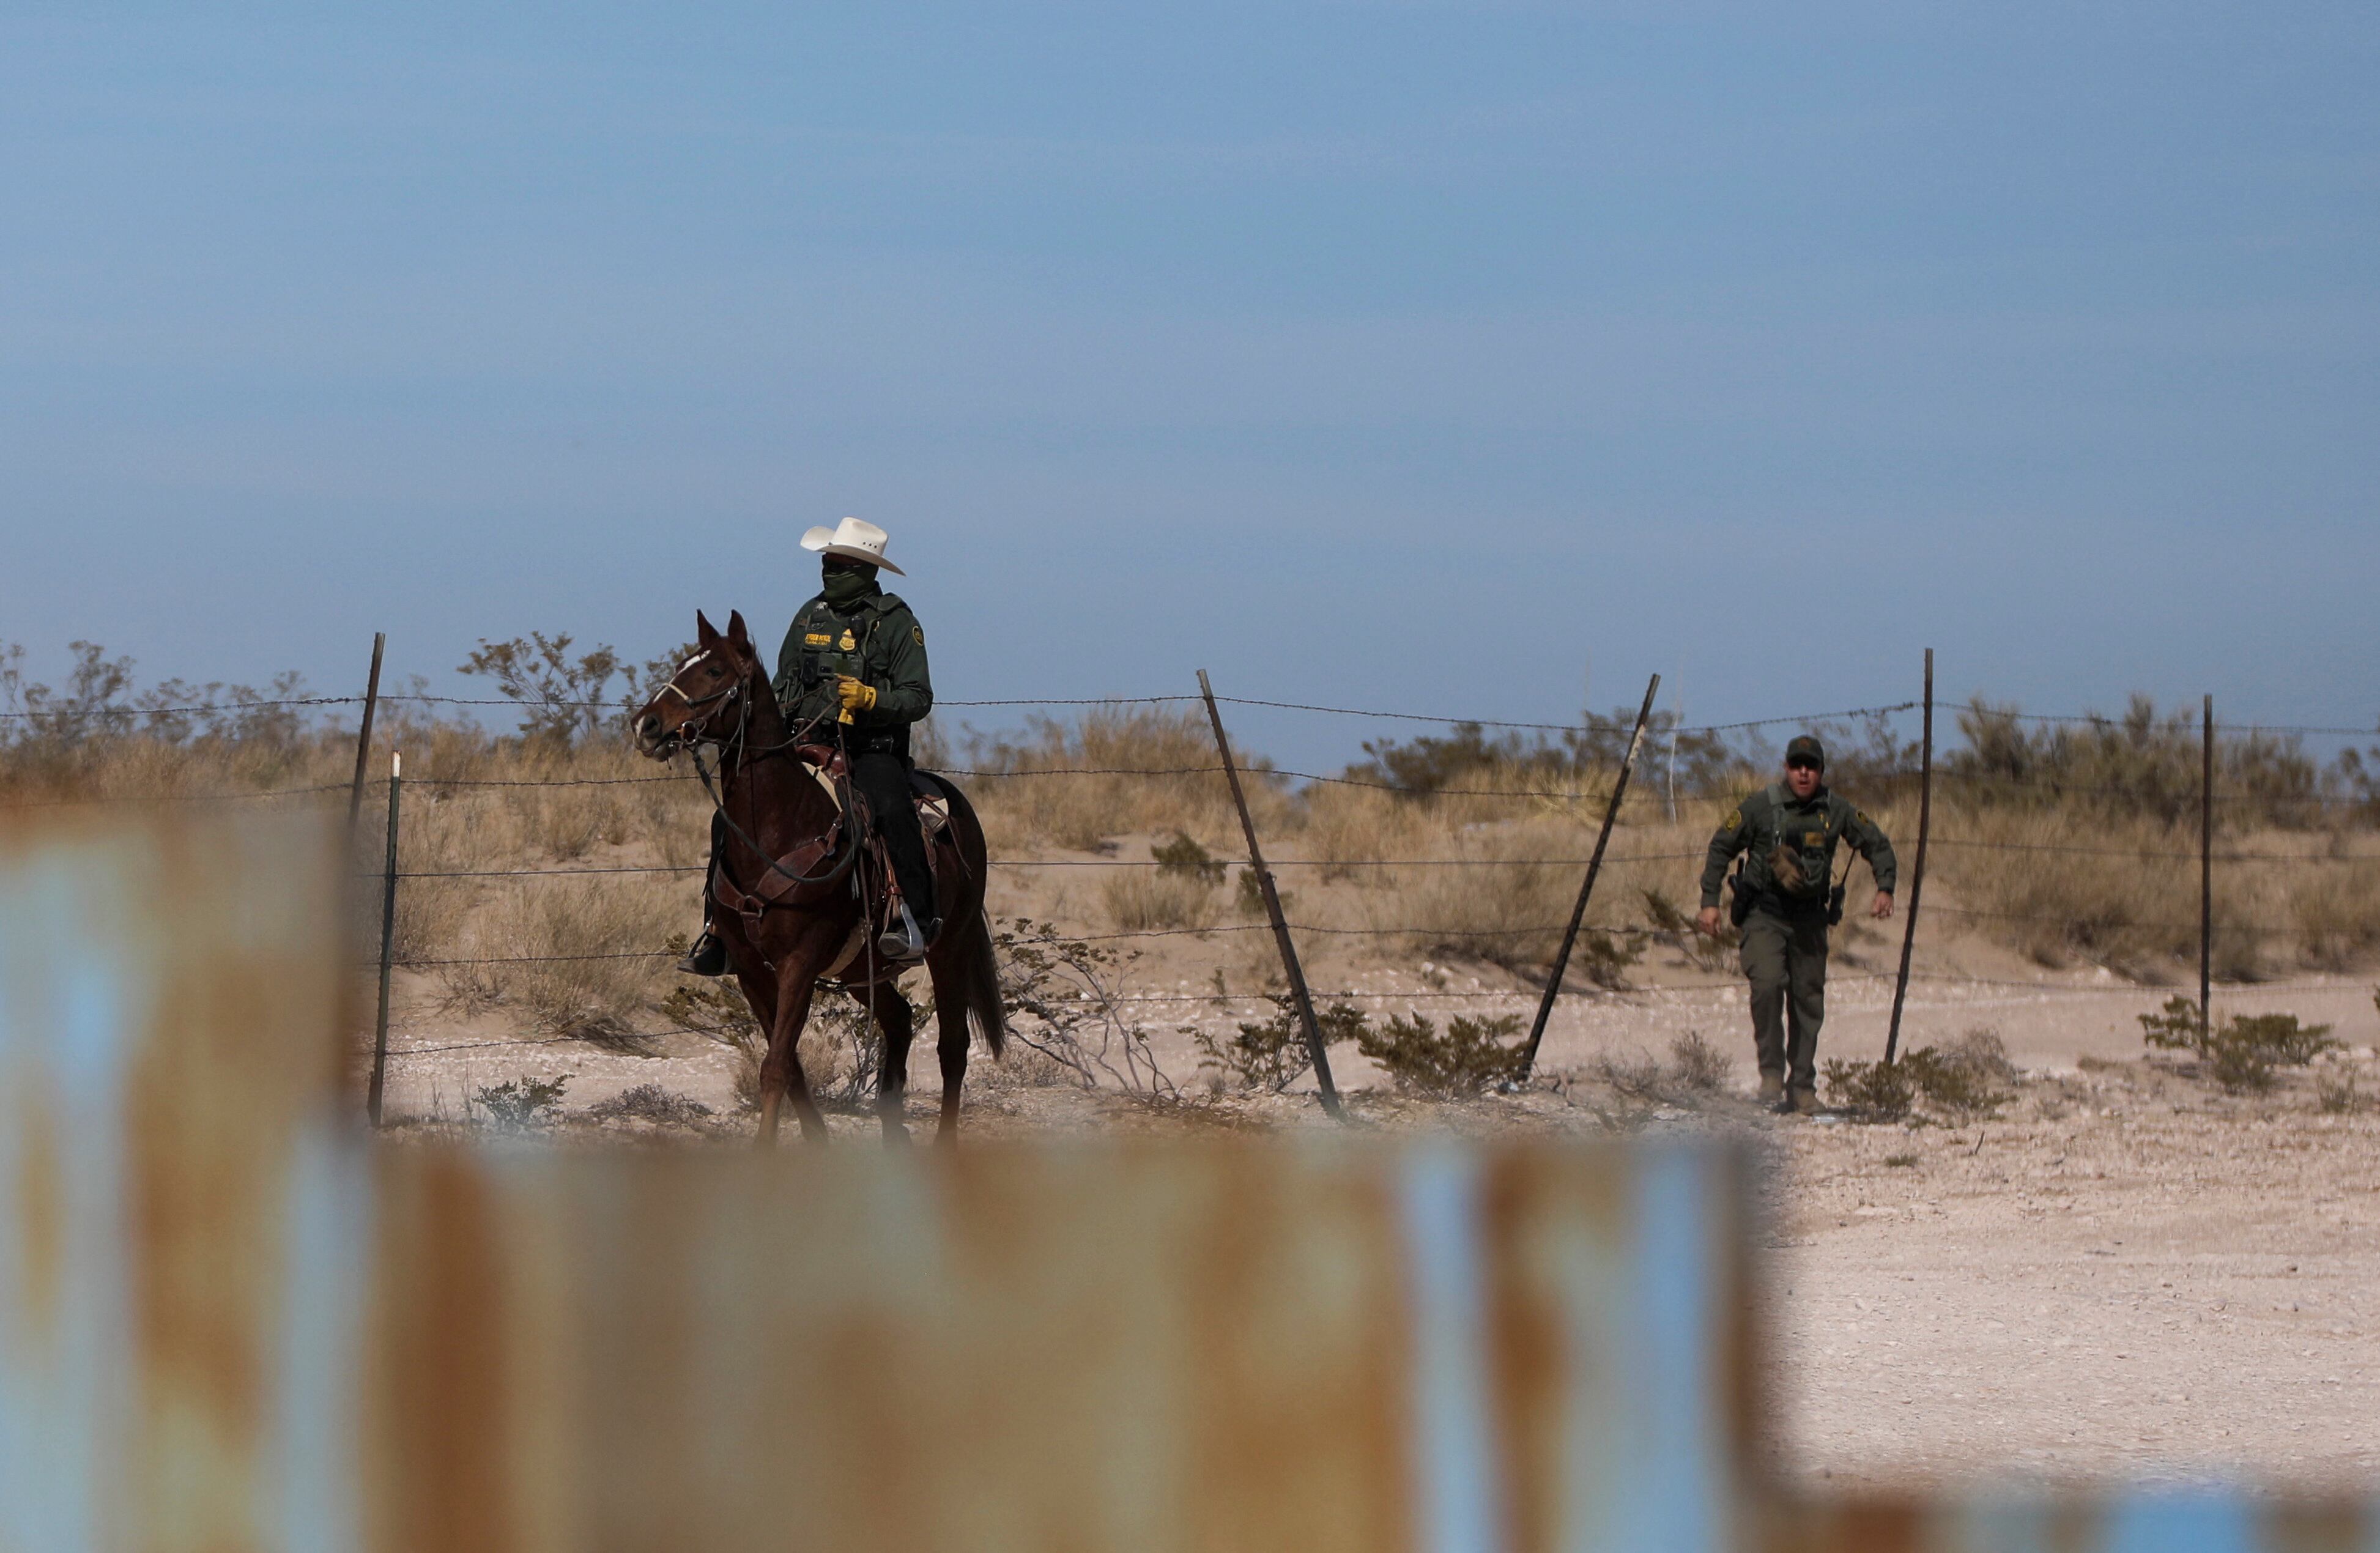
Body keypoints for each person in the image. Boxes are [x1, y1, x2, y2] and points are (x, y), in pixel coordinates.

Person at [678, 516, 938, 974]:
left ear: (865, 570)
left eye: (840, 564)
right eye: (827, 562)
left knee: (892, 809)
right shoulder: (809, 615)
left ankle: (912, 919)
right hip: (805, 741)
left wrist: (872, 698)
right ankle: (717, 931)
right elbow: (780, 686)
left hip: (871, 749)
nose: (829, 571)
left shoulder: (897, 622)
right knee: (729, 818)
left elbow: (918, 697)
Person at [1695, 733, 1897, 1114]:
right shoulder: (1760, 807)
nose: (1804, 773)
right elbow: (1722, 845)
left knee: (1807, 1002)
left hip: (1810, 920)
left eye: (1812, 766)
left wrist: (1885, 887)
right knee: (1768, 986)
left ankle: (1802, 1086)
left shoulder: (1835, 810)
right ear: (1786, 768)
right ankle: (1771, 1073)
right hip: (1764, 916)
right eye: (1797, 765)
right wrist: (1710, 903)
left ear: (1821, 771)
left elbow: (1876, 843)